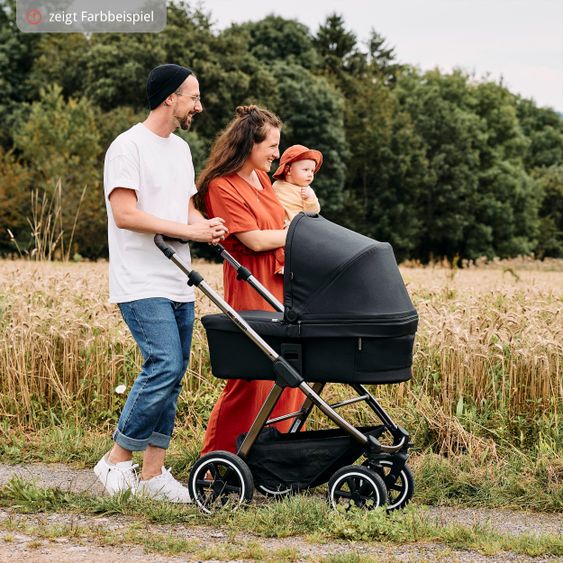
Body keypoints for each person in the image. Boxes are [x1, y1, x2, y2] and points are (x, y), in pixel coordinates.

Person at [95, 64, 228, 502]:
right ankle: (116, 460)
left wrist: (204, 226)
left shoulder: (181, 150)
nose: (199, 105)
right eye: (194, 96)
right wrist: (189, 231)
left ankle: (152, 475)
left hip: (177, 278)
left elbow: (184, 211)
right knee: (164, 365)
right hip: (139, 280)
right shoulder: (127, 147)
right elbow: (126, 214)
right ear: (170, 97)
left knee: (173, 376)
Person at [196, 105, 305, 454]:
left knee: (290, 375)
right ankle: (221, 457)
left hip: (279, 281)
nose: (277, 154)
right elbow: (253, 239)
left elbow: (276, 226)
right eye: (272, 146)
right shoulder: (221, 186)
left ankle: (275, 456)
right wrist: (293, 234)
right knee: (250, 376)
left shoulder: (262, 179)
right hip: (249, 283)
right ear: (249, 145)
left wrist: (290, 230)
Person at [272, 144, 323, 223]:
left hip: (298, 227)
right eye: (306, 170)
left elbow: (314, 214)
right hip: (278, 225)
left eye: (312, 171)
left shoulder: (308, 191)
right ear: (288, 170)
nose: (310, 174)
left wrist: (309, 200)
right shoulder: (277, 186)